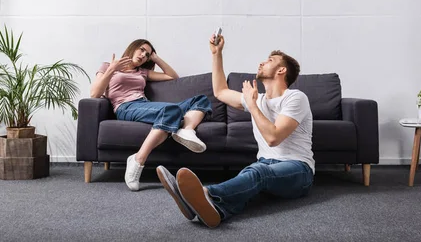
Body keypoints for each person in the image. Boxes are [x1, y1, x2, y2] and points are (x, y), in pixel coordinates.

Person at [156, 34, 314, 227]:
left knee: (258, 173)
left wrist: (252, 105)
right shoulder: (258, 99)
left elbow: (273, 137)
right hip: (265, 165)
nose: (262, 62)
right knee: (252, 174)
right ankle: (212, 210)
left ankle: (204, 194)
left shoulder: (295, 98)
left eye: (270, 60)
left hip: (299, 170)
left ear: (282, 70)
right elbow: (220, 92)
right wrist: (216, 54)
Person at [90, 39, 212, 191]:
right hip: (125, 107)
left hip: (144, 104)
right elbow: (95, 93)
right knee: (172, 110)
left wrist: (156, 58)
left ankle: (187, 130)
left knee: (201, 99)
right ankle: (138, 159)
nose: (143, 55)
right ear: (132, 48)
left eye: (146, 54)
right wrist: (112, 69)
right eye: (141, 50)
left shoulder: (143, 72)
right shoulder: (107, 66)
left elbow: (172, 76)